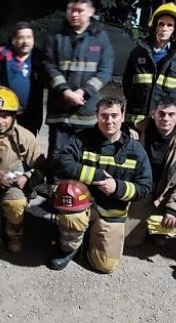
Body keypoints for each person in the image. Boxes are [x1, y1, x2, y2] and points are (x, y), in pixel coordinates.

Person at [49, 96, 152, 272]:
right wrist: (95, 175)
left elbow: (145, 187)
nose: (109, 121)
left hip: (111, 208)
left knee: (105, 266)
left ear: (122, 116)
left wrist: (117, 187)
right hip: (81, 202)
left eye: (114, 115)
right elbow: (61, 162)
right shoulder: (82, 139)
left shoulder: (135, 150)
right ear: (97, 116)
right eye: (104, 115)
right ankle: (70, 247)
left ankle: (91, 238)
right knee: (70, 202)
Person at [0, 86, 46, 252]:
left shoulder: (25, 137)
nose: (0, 122)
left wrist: (27, 178)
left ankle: (15, 233)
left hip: (15, 189)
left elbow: (42, 167)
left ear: (14, 116)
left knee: (15, 203)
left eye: (5, 116)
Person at [44, 0, 114, 161]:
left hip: (86, 113)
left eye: (79, 11)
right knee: (57, 156)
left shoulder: (100, 38)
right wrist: (66, 92)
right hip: (59, 112)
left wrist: (83, 92)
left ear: (91, 11)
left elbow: (105, 71)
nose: (74, 14)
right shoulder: (56, 36)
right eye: (71, 10)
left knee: (85, 158)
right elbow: (49, 66)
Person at [124, 97, 176, 246]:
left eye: (171, 114)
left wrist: (174, 209)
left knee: (173, 218)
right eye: (161, 113)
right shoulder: (136, 133)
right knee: (128, 241)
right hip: (141, 191)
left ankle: (175, 218)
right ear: (153, 114)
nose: (165, 118)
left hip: (165, 196)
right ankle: (147, 221)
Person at [123, 2, 176, 127]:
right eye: (161, 24)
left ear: (175, 29)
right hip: (135, 121)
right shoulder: (139, 51)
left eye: (170, 25)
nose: (165, 28)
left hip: (162, 123)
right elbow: (127, 83)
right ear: (155, 26)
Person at [0, 22, 46, 135]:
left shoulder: (40, 57)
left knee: (26, 148)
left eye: (29, 37)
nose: (25, 41)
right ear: (13, 39)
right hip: (6, 114)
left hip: (30, 115)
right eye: (21, 38)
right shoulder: (0, 55)